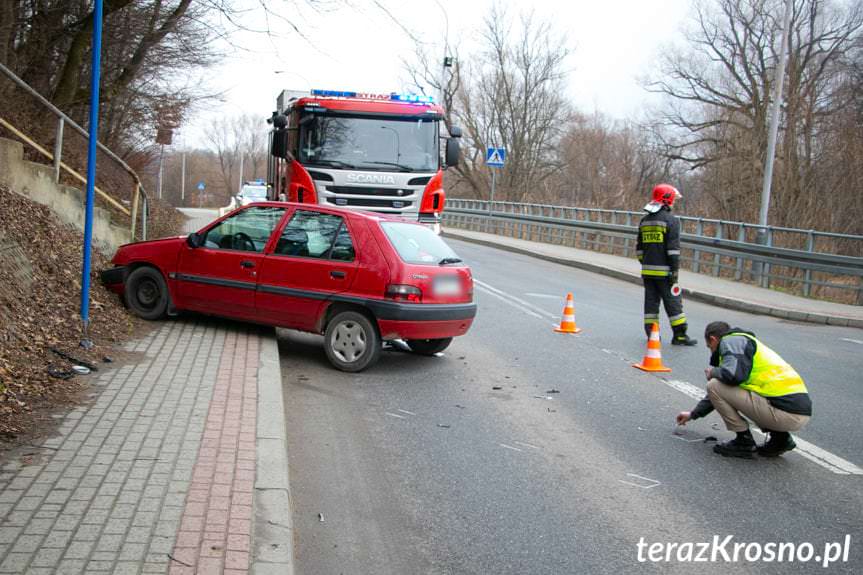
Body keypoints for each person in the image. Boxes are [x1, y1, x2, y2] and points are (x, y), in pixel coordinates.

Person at [676, 321, 812, 458]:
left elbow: (732, 377)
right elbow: (726, 392)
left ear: (713, 339)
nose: (711, 351)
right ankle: (781, 440)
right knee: (724, 388)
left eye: (709, 347)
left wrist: (714, 372)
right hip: (795, 412)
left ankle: (744, 442)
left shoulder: (730, 342)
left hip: (784, 413)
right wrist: (693, 414)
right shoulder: (744, 343)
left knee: (714, 384)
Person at [636, 184, 697, 345]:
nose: (674, 202)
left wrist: (647, 263)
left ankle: (652, 335)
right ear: (667, 199)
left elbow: (639, 250)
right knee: (673, 302)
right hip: (665, 273)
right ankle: (680, 336)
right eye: (673, 199)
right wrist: (674, 272)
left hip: (648, 272)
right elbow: (673, 251)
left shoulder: (645, 221)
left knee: (651, 304)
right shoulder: (672, 221)